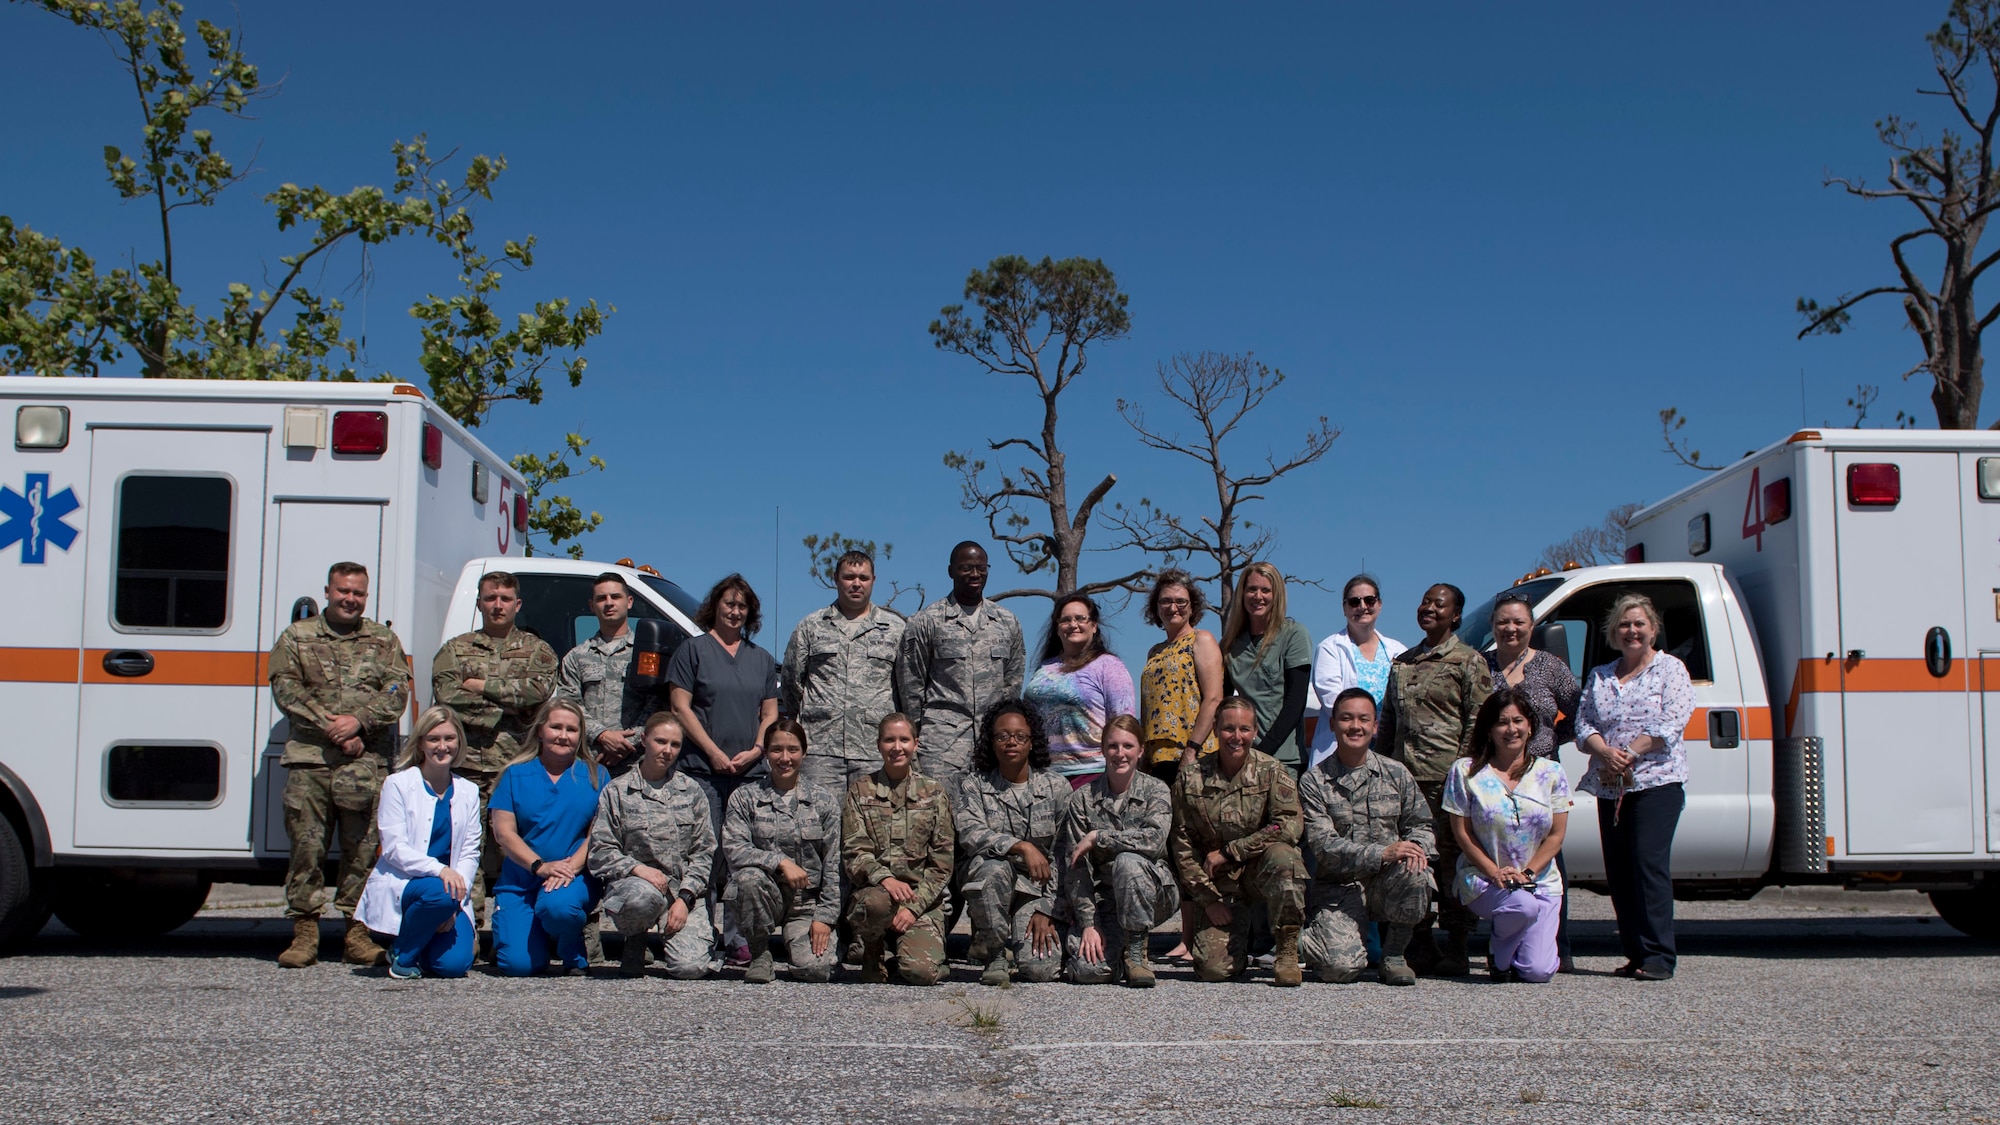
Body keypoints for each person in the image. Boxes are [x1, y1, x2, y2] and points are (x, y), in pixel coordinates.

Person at [267, 560, 412, 969]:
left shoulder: (383, 640)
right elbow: (286, 689)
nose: (350, 599)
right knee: (306, 848)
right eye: (343, 591)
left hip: (364, 763)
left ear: (366, 596)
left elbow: (397, 690)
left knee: (362, 850)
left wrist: (359, 723)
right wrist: (332, 726)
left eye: (358, 593)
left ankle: (356, 932)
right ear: (328, 591)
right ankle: (305, 933)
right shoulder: (298, 636)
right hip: (310, 762)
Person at [1575, 592, 1696, 982]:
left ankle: (1660, 955)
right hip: (1612, 787)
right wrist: (1604, 753)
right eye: (1625, 624)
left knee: (1648, 866)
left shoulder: (1670, 669)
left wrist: (1627, 753)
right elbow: (1583, 725)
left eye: (1639, 624)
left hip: (1656, 782)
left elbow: (1671, 721)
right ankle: (1634, 952)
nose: (1632, 631)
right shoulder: (1601, 675)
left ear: (1653, 629)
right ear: (1614, 631)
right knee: (1620, 872)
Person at [665, 573, 780, 965]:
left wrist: (757, 749)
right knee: (705, 851)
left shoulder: (761, 658)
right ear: (714, 606)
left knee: (741, 856)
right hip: (702, 769)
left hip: (747, 772)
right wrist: (712, 751)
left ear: (750, 613)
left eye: (742, 606)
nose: (735, 611)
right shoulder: (692, 651)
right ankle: (700, 930)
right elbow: (680, 707)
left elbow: (770, 712)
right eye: (729, 604)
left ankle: (737, 937)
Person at [1378, 582, 1492, 976]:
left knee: (1453, 865)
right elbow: (1388, 722)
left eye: (1438, 604)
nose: (1428, 608)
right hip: (1405, 784)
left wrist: (1462, 772)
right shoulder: (1403, 662)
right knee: (1415, 863)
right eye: (1425, 602)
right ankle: (1421, 942)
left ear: (1455, 615)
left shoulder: (1468, 662)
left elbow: (1479, 722)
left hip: (1449, 781)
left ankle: (1457, 945)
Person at [432, 570, 560, 919]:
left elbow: (536, 692)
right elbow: (447, 694)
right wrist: (502, 708)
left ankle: (516, 925)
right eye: (490, 598)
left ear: (517, 604)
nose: (497, 605)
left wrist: (478, 684)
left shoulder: (538, 651)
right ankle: (463, 925)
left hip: (516, 767)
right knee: (463, 848)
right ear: (479, 603)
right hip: (466, 767)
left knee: (518, 850)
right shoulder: (455, 649)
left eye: (505, 599)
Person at [1298, 688, 1434, 986]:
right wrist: (1382, 853)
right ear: (1332, 724)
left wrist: (1416, 849)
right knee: (1339, 970)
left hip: (1388, 881)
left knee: (1416, 872)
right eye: (1346, 718)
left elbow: (1421, 825)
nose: (1355, 726)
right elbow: (1323, 846)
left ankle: (1394, 955)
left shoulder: (1396, 773)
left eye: (1363, 719)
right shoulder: (1314, 781)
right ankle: (1302, 939)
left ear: (1375, 726)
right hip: (1339, 886)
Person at [1169, 696, 1308, 986]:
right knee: (1213, 971)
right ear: (1216, 731)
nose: (1237, 737)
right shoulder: (1191, 778)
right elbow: (1182, 844)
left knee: (1287, 859)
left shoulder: (1272, 771)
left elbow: (1289, 825)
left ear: (1255, 732)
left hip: (1259, 872)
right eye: (1228, 729)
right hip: (1219, 886)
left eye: (1244, 729)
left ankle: (1286, 951)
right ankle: (1237, 945)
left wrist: (1232, 851)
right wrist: (1207, 900)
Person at [1442, 689, 1572, 983]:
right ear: (1489, 729)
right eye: (1502, 722)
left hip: (1540, 882)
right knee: (1521, 907)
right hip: (1485, 879)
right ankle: (1500, 955)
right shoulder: (1466, 771)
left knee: (1537, 972)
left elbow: (1556, 834)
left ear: (1530, 726)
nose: (1511, 729)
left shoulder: (1552, 772)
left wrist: (1527, 873)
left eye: (1518, 721)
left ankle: (1517, 945)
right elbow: (1461, 832)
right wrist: (1494, 872)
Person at [1485, 591, 1581, 969]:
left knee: (1549, 861)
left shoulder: (1550, 667)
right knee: (1498, 860)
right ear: (1494, 626)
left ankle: (1558, 944)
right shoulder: (1482, 665)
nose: (1510, 628)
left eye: (1518, 622)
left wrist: (1551, 741)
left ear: (1532, 626)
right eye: (1503, 622)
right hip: (1494, 779)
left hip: (1540, 779)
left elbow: (1578, 711)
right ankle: (1503, 944)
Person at [587, 712, 717, 979]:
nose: (667, 751)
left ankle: (673, 934)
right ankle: (635, 939)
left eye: (675, 744)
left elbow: (704, 852)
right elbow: (600, 850)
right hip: (636, 888)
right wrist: (637, 869)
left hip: (680, 892)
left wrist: (686, 897)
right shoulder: (618, 791)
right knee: (640, 898)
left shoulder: (692, 791)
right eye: (660, 741)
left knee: (690, 969)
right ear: (644, 740)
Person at [356, 706, 481, 979]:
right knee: (439, 894)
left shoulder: (469, 791)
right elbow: (394, 848)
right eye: (433, 738)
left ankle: (424, 935)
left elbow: (470, 851)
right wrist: (441, 872)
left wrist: (456, 901)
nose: (442, 746)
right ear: (421, 743)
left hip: (448, 893)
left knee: (453, 967)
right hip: (410, 884)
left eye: (449, 738)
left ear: (459, 742)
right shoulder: (398, 784)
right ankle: (403, 953)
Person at [954, 700, 1070, 986]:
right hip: (993, 884)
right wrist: (1022, 846)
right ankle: (994, 953)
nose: (1011, 743)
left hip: (1036, 892)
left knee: (1040, 972)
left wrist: (1048, 908)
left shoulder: (1056, 788)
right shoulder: (975, 785)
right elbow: (970, 833)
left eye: (1020, 736)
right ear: (991, 743)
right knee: (991, 868)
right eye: (1002, 736)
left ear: (1033, 742)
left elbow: (1066, 857)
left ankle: (1029, 943)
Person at [488, 698, 606, 976]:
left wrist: (569, 869)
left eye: (572, 729)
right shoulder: (514, 774)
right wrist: (540, 866)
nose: (563, 736)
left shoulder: (595, 775)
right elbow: (504, 833)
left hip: (571, 878)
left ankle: (571, 948)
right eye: (556, 727)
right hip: (522, 880)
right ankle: (516, 929)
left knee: (558, 908)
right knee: (519, 965)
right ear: (540, 730)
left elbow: (599, 832)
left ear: (580, 736)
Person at [1059, 714, 1179, 987]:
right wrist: (1089, 923)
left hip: (1153, 892)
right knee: (1089, 971)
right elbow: (1075, 866)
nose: (1120, 753)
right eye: (1113, 746)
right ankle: (1117, 954)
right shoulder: (1083, 798)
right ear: (1102, 750)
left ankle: (1137, 956)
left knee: (1128, 862)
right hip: (1108, 901)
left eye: (1127, 746)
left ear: (1140, 750)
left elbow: (1155, 840)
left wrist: (1100, 837)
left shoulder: (1155, 790)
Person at [896, 541, 1027, 789]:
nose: (975, 574)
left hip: (992, 745)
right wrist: (916, 740)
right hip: (941, 746)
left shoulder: (1007, 622)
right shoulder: (926, 621)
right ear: (951, 571)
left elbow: (1013, 681)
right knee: (941, 818)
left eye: (981, 568)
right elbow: (911, 686)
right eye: (966, 568)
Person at [722, 718, 842, 984]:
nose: (784, 758)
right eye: (776, 750)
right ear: (765, 753)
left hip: (806, 906)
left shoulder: (823, 801)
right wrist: (779, 862)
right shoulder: (745, 798)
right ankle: (760, 953)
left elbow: (834, 865)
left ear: (804, 752)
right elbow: (734, 848)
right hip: (766, 897)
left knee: (815, 971)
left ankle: (799, 943)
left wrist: (825, 918)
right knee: (747, 879)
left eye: (793, 750)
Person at [781, 550, 907, 797]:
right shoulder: (811, 626)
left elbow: (906, 687)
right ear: (836, 579)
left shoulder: (896, 629)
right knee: (820, 825)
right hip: (821, 748)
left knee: (873, 829)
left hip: (874, 749)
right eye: (849, 577)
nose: (856, 583)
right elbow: (791, 682)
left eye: (863, 577)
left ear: (873, 580)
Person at [843, 713, 955, 985]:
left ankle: (916, 955)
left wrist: (913, 908)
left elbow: (942, 864)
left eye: (904, 740)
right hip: (878, 895)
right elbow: (854, 851)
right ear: (879, 744)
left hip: (921, 901)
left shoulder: (934, 792)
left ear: (915, 744)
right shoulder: (860, 790)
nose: (897, 747)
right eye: (889, 740)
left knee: (920, 973)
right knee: (874, 902)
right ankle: (872, 950)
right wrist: (885, 878)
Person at [1023, 592, 1136, 785]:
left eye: (1080, 618)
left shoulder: (1109, 666)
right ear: (1057, 629)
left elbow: (1124, 724)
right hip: (1043, 776)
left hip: (1091, 773)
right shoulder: (1045, 667)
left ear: (1094, 626)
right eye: (1065, 620)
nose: (1073, 624)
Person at [1219, 563, 1315, 774]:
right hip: (1240, 756)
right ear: (1242, 594)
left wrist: (1263, 753)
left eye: (1265, 590)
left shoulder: (1294, 635)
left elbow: (1296, 702)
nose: (1258, 596)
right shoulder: (1230, 645)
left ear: (1277, 594)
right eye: (1252, 589)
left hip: (1283, 758)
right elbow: (1221, 702)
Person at [1307, 575, 1408, 770]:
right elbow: (1333, 702)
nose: (1362, 607)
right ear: (1344, 608)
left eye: (1369, 600)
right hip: (1344, 749)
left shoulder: (1399, 651)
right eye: (1354, 602)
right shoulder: (1330, 648)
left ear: (1379, 605)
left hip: (1386, 751)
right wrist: (1368, 725)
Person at [557, 572, 652, 778]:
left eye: (615, 597)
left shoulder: (646, 654)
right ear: (592, 606)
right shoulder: (576, 657)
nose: (609, 603)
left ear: (629, 602)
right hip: (588, 762)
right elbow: (569, 704)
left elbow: (658, 703)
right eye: (601, 598)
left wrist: (626, 743)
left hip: (637, 764)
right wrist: (602, 735)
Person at [1138, 568, 1222, 782]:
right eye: (1165, 601)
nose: (1172, 607)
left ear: (1192, 607)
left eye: (1180, 601)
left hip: (1194, 755)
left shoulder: (1201, 640)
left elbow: (1213, 699)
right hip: (1157, 758)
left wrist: (1191, 749)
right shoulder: (1154, 652)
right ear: (1156, 607)